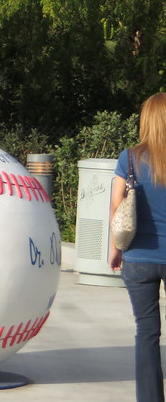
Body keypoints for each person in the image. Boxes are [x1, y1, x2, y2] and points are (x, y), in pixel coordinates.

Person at [111, 92, 166, 402]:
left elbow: (117, 208)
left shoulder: (129, 158)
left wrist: (115, 249)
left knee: (146, 332)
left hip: (139, 258)